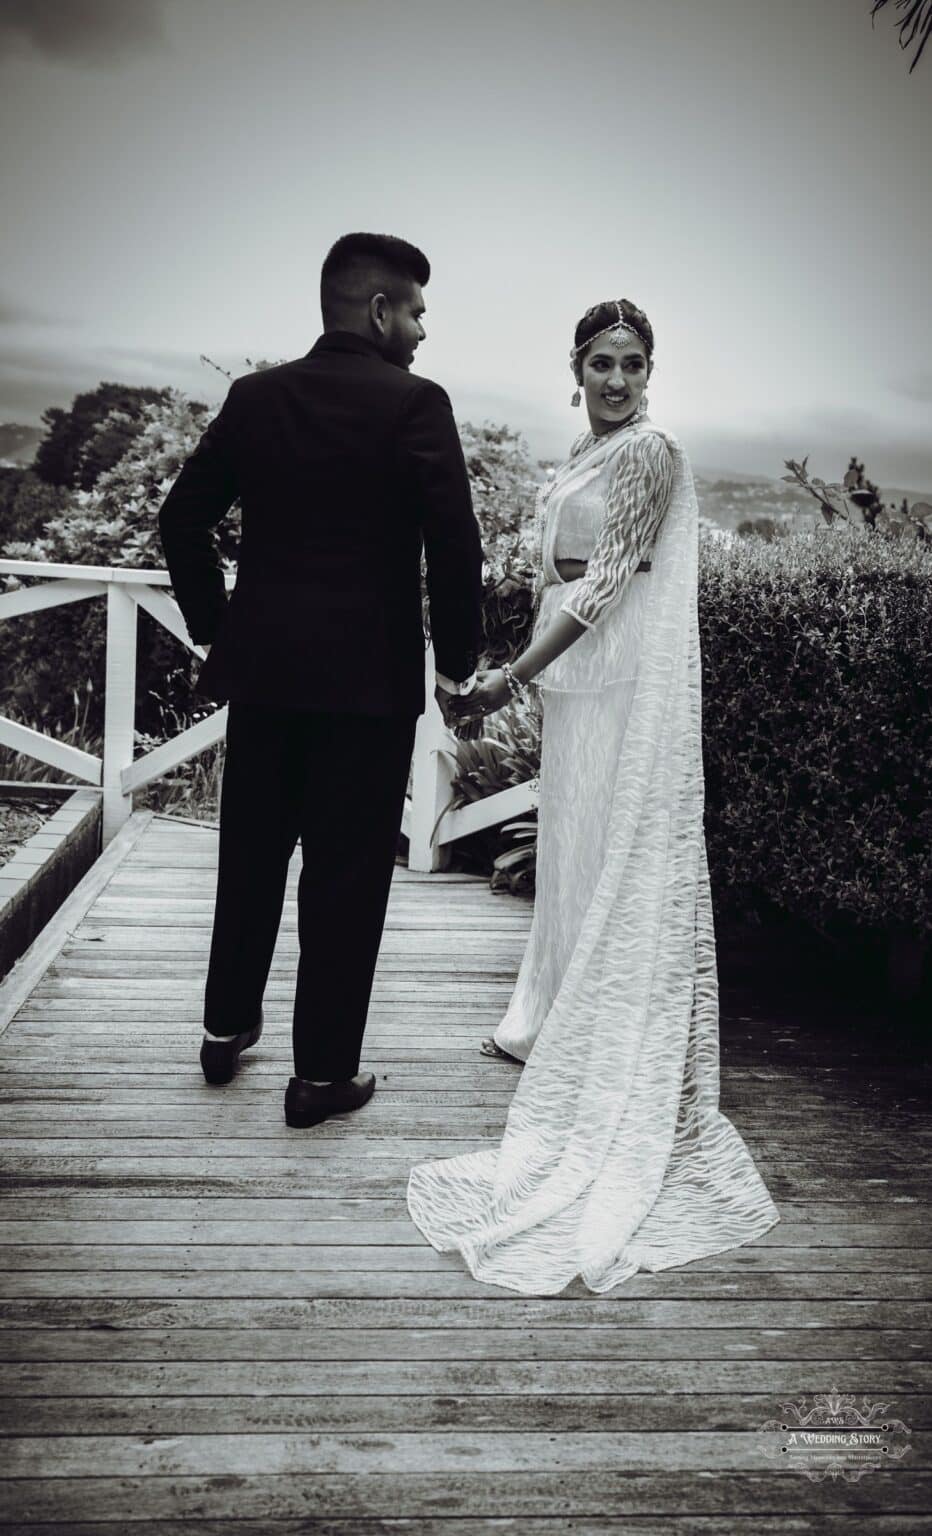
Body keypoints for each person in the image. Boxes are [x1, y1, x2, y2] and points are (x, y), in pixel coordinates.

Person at [406, 298, 780, 1294]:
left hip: (616, 685)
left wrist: (508, 677)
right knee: (570, 847)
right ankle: (550, 1016)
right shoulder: (578, 450)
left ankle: (604, 1042)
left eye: (632, 363)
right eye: (600, 363)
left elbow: (608, 581)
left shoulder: (649, 454)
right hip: (577, 689)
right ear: (574, 367)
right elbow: (549, 567)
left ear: (648, 369)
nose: (616, 380)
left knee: (616, 849)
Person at [158, 232, 483, 1127]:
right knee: (345, 879)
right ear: (379, 311)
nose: (422, 329)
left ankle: (224, 1031)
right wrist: (457, 662)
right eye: (415, 309)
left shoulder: (257, 396)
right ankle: (321, 1078)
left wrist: (219, 630)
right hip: (368, 692)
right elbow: (456, 549)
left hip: (264, 679)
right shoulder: (417, 405)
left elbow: (181, 520)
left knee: (250, 858)